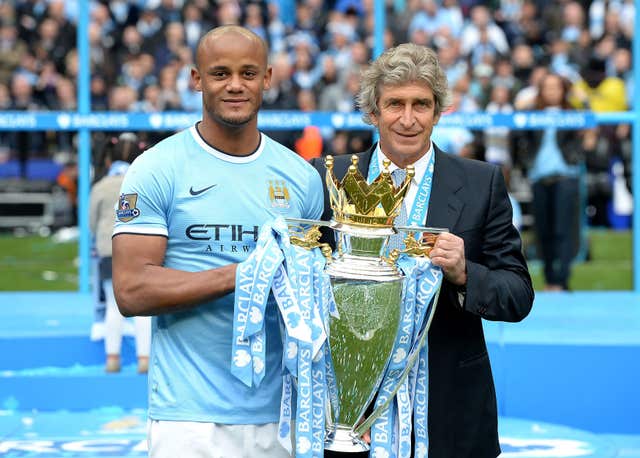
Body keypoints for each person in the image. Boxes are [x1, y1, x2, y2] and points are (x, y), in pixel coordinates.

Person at [312, 43, 534, 458]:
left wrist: (467, 273)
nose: (408, 119)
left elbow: (517, 294)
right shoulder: (328, 176)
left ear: (438, 111)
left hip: (448, 408)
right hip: (347, 408)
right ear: (373, 112)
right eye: (395, 104)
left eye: (421, 104)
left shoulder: (480, 183)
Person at [111, 26, 323, 457]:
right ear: (196, 79)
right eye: (220, 73)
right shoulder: (155, 169)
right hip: (188, 419)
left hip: (281, 414)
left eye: (248, 73)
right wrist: (244, 275)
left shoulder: (301, 178)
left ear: (267, 78)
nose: (235, 85)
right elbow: (131, 290)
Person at [513, 73, 584, 291]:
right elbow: (517, 130)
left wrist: (582, 99)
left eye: (556, 87)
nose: (552, 91)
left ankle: (561, 280)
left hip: (565, 177)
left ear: (564, 90)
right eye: (547, 87)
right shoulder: (533, 114)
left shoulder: (572, 112)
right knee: (543, 231)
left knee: (564, 229)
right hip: (539, 177)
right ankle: (549, 279)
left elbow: (591, 124)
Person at [89, 133, 151, 373]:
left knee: (114, 307)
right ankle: (144, 359)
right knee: (143, 307)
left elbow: (92, 223)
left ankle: (112, 359)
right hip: (138, 251)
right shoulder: (143, 183)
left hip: (109, 250)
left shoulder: (101, 186)